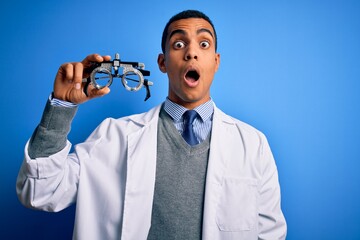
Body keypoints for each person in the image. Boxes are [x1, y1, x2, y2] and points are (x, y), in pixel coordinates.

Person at [16, 10, 287, 240]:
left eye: (204, 44)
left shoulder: (252, 144)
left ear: (215, 62)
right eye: (178, 44)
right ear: (162, 63)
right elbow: (40, 192)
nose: (191, 52)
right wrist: (61, 107)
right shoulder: (115, 137)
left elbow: (270, 234)